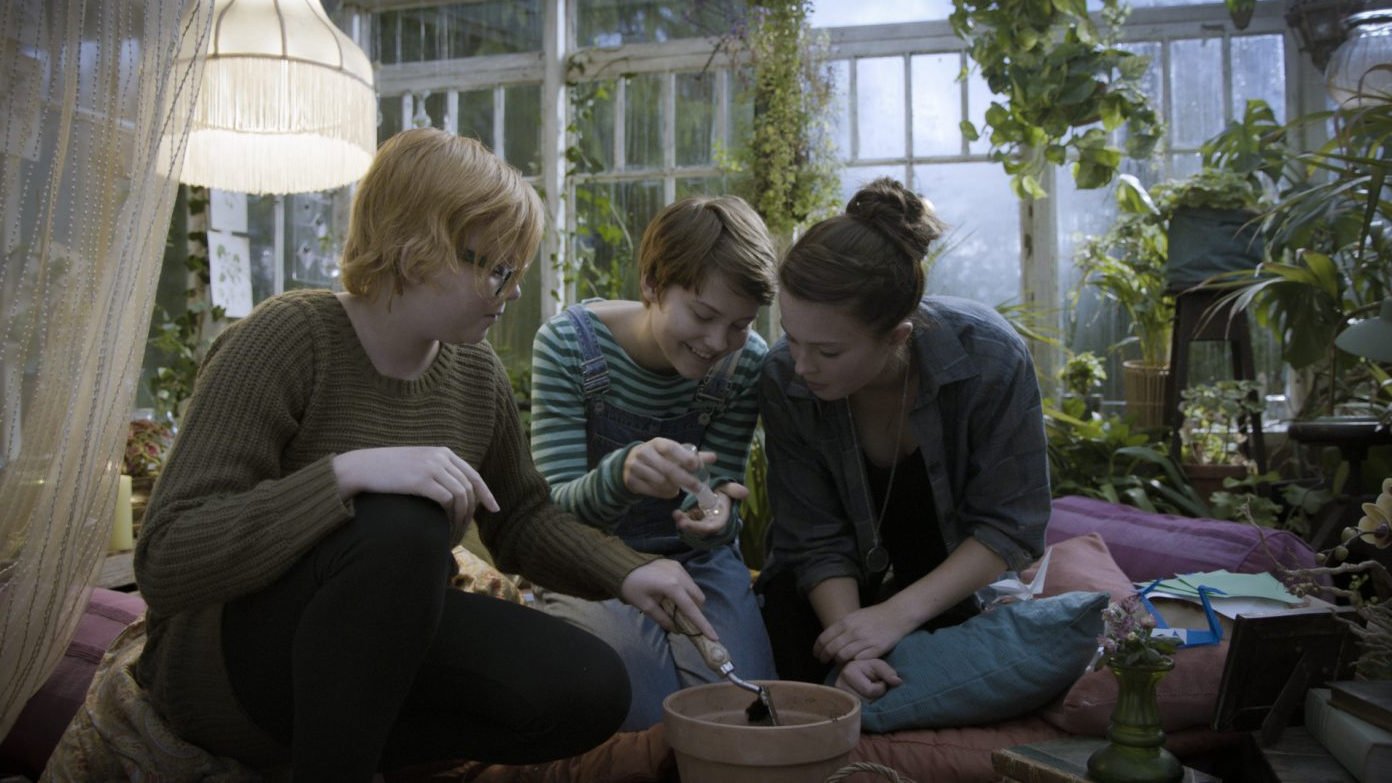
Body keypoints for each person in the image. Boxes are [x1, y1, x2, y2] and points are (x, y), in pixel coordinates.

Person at [133, 128, 718, 782]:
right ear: (417, 251)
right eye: (498, 270)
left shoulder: (474, 372)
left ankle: (350, 750)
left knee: (591, 686)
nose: (512, 292)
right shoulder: (289, 339)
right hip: (229, 670)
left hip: (371, 654)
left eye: (517, 272)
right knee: (400, 521)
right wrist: (346, 475)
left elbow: (521, 519)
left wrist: (628, 573)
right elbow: (167, 553)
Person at [754, 177, 1050, 700]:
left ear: (897, 337)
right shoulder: (783, 376)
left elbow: (1011, 524)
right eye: (791, 337)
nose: (801, 366)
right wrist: (852, 643)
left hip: (948, 585)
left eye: (827, 351)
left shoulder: (989, 358)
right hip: (824, 594)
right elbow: (812, 536)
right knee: (799, 677)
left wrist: (895, 615)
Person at [529, 195, 778, 730]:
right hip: (590, 555)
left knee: (742, 711)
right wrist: (620, 477)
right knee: (637, 708)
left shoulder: (745, 361)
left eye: (740, 323)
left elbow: (721, 494)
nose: (718, 342)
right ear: (651, 284)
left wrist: (717, 517)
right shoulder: (568, 346)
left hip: (696, 561)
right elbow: (550, 517)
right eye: (703, 315)